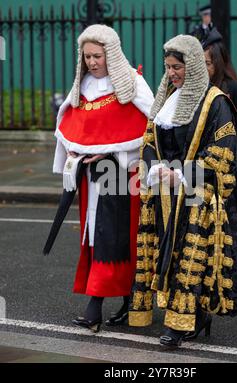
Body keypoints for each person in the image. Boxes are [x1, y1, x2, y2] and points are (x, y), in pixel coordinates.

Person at [128, 34, 237, 348]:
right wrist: (156, 168)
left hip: (195, 196)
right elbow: (148, 140)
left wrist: (180, 173)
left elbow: (223, 155)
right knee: (166, 254)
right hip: (163, 195)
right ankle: (178, 316)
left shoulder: (216, 102)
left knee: (189, 259)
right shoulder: (167, 97)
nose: (171, 73)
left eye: (176, 67)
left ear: (193, 66)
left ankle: (186, 322)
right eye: (168, 67)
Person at [48, 24, 154, 332]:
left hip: (122, 180)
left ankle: (103, 306)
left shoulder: (133, 83)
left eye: (97, 56)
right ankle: (113, 302)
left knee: (118, 241)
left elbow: (151, 128)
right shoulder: (80, 88)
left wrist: (113, 156)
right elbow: (70, 128)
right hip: (90, 181)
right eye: (87, 57)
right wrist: (73, 158)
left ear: (111, 54)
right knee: (96, 238)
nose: (92, 62)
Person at [202, 27, 237, 296]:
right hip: (209, 168)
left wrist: (223, 144)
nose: (203, 68)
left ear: (218, 63)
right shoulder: (200, 90)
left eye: (207, 63)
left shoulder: (234, 88)